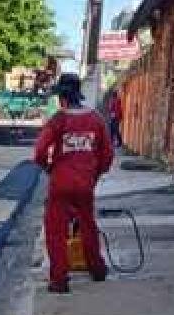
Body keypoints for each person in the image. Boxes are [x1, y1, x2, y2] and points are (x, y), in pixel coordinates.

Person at [33, 73, 114, 293]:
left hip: (60, 183)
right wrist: (94, 175)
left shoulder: (58, 120)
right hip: (85, 183)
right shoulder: (96, 119)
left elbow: (39, 151)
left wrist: (49, 168)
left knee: (56, 230)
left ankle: (59, 280)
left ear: (62, 98)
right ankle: (97, 269)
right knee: (88, 225)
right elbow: (107, 155)